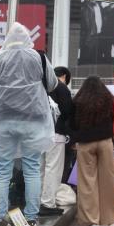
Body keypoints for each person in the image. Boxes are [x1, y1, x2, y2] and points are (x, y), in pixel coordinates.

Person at [0, 22, 58, 226]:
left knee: (2, 171)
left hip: (5, 121)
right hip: (33, 121)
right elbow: (52, 84)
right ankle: (31, 219)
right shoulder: (39, 57)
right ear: (28, 39)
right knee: (32, 169)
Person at [70, 76, 114, 226]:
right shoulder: (108, 99)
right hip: (105, 142)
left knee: (87, 182)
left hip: (86, 143)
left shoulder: (78, 101)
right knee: (108, 180)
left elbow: (73, 123)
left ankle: (91, 222)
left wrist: (75, 137)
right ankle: (112, 219)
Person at [39, 66, 73, 216]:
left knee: (38, 168)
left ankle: (35, 201)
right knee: (53, 168)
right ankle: (47, 203)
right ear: (64, 76)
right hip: (56, 134)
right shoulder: (61, 88)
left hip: (38, 133)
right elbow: (68, 112)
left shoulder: (41, 86)